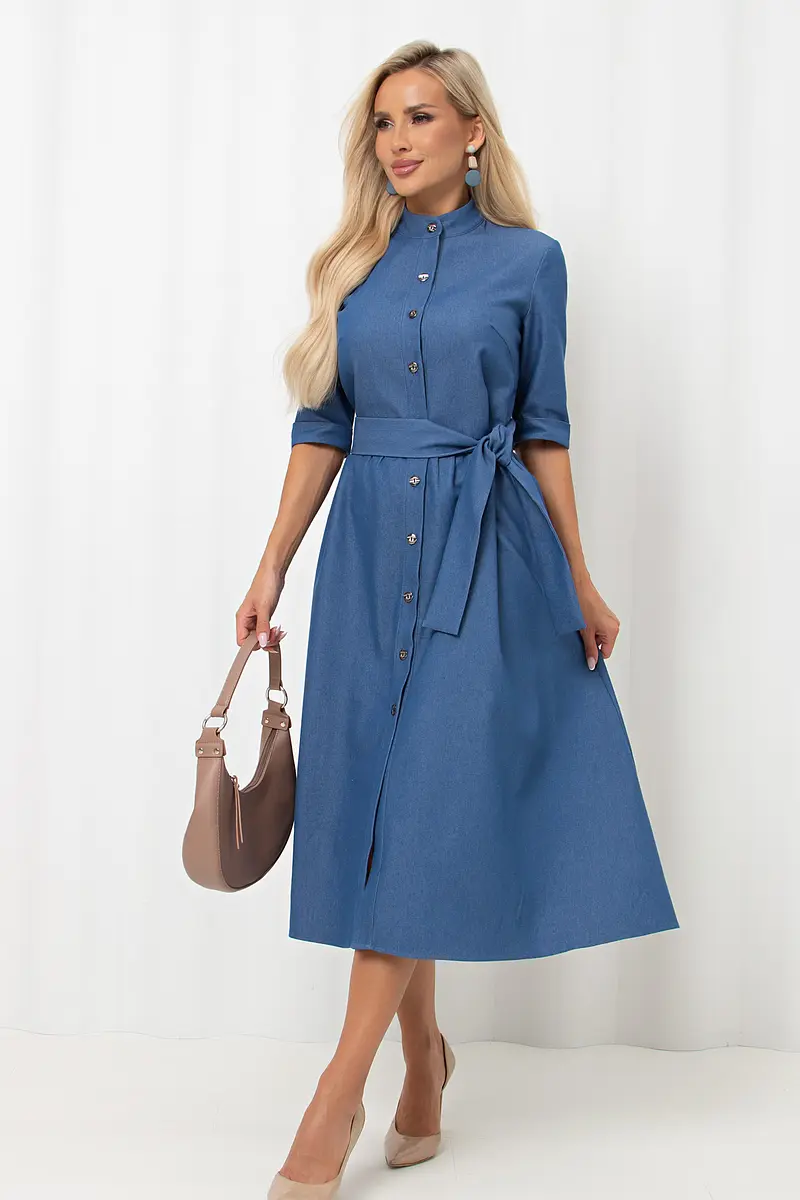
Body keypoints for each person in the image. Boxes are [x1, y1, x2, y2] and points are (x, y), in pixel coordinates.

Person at [236, 39, 680, 1199]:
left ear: (471, 132)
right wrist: (269, 569)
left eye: (421, 117)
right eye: (383, 122)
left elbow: (543, 428)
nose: (397, 140)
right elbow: (321, 429)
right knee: (381, 818)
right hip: (363, 555)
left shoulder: (531, 263)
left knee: (425, 806)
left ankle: (336, 1096)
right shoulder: (351, 265)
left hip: (486, 555)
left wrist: (578, 576)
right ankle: (424, 1063)